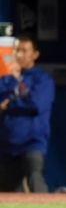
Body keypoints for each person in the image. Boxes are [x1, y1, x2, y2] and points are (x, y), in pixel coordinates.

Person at [0, 35, 55, 193]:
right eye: (17, 50)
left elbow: (36, 105)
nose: (19, 55)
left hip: (32, 143)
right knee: (8, 192)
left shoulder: (42, 79)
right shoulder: (5, 79)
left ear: (35, 55)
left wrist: (12, 98)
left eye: (24, 51)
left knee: (35, 179)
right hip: (6, 145)